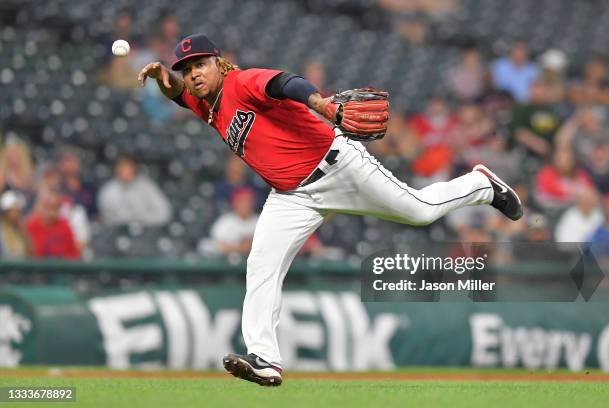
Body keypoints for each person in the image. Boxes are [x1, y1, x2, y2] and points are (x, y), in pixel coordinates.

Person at [138, 33, 523, 386]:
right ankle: (265, 360)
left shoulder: (241, 82)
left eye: (200, 65)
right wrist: (161, 77)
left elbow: (284, 82)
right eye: (187, 71)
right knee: (260, 266)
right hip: (292, 197)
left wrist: (319, 102)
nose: (193, 75)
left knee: (419, 211)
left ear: (219, 64)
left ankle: (481, 184)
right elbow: (176, 94)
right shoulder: (206, 103)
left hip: (337, 165)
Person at [98, 154, 172, 227]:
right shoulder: (108, 190)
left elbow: (165, 212)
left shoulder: (147, 186)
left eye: (128, 168)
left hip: (146, 229)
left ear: (135, 168)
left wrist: (142, 219)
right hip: (117, 232)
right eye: (122, 168)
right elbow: (107, 218)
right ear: (117, 169)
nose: (125, 172)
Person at [25, 186, 80, 260]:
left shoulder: (64, 225)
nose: (50, 212)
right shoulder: (31, 226)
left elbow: (73, 256)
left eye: (54, 207)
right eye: (47, 207)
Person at [0, 190, 31, 258]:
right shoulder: (2, 228)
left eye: (18, 211)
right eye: (12, 210)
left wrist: (23, 232)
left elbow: (30, 254)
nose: (15, 214)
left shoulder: (22, 229)